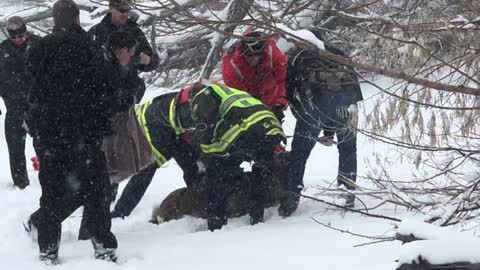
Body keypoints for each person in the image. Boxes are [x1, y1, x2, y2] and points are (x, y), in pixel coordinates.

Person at [23, 0, 132, 264]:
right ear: (76, 19)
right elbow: (109, 89)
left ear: (55, 19)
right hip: (85, 133)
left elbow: (29, 91)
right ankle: (102, 243)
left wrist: (36, 123)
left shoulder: (38, 49)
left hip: (50, 134)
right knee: (96, 190)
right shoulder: (91, 48)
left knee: (51, 192)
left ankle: (48, 247)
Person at [172, 83, 285, 231]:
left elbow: (207, 133)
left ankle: (216, 223)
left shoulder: (202, 97)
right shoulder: (232, 93)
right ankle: (257, 214)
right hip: (270, 127)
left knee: (216, 173)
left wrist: (207, 158)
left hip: (246, 131)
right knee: (260, 167)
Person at [279, 29, 363, 217]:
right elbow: (351, 88)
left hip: (313, 109)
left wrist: (301, 114)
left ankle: (291, 197)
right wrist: (330, 129)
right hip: (348, 106)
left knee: (299, 154)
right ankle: (347, 193)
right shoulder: (338, 54)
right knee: (348, 149)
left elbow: (290, 91)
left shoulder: (296, 58)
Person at [88, 0, 159, 201]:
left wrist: (147, 60)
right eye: (121, 11)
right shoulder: (97, 32)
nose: (125, 15)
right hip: (104, 101)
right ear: (111, 9)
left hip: (126, 96)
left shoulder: (134, 30)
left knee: (137, 156)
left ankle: (109, 197)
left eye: (128, 11)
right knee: (108, 158)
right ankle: (103, 198)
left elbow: (152, 60)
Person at [110, 91, 203, 219]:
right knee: (191, 168)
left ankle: (202, 201)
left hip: (166, 128)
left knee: (192, 168)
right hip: (162, 129)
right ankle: (120, 210)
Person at [0, 16, 40, 189]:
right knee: (15, 148)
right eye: (14, 36)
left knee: (46, 145)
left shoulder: (39, 45)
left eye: (21, 35)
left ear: (26, 31)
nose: (18, 39)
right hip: (14, 105)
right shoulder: (2, 51)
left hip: (39, 106)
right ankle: (21, 183)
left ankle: (53, 176)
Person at [222, 29, 288, 121]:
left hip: (272, 98)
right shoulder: (232, 66)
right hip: (248, 104)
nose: (254, 60)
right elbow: (238, 96)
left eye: (257, 56)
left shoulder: (271, 51)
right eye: (249, 56)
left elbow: (282, 78)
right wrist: (253, 111)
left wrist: (280, 102)